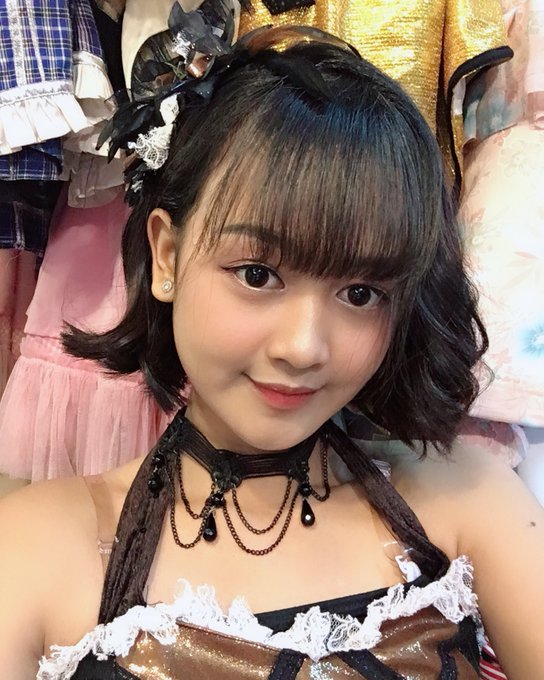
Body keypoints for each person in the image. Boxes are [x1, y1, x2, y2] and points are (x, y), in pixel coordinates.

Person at [0, 23, 543, 680]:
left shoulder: (471, 505)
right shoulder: (30, 550)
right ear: (167, 256)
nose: (303, 347)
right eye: (257, 275)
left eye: (361, 293)